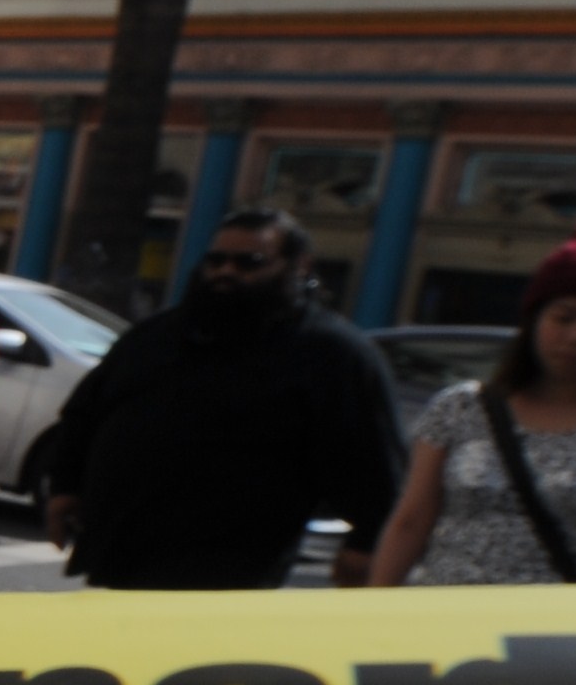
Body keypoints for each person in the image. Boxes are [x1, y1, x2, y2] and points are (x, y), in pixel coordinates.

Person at [42, 207, 407, 588]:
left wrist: (365, 546)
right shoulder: (157, 336)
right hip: (122, 554)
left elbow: (373, 458)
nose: (226, 273)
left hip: (232, 569)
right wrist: (65, 486)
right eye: (216, 260)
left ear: (298, 267)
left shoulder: (333, 353)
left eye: (248, 263)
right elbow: (85, 412)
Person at [365, 216, 576, 588]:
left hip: (560, 632)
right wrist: (375, 608)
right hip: (443, 620)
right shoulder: (459, 407)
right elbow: (410, 522)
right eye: (563, 316)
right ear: (534, 318)